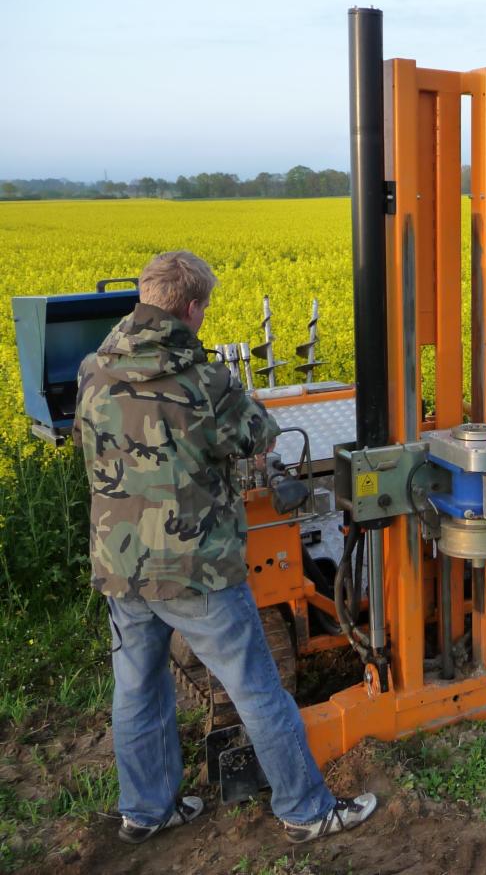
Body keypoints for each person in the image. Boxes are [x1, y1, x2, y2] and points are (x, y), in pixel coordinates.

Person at [74, 250, 376, 844]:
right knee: (258, 690)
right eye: (204, 308)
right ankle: (306, 810)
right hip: (195, 569)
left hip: (120, 565)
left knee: (136, 689)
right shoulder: (206, 382)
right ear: (192, 308)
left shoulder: (93, 369)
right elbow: (258, 434)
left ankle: (146, 809)